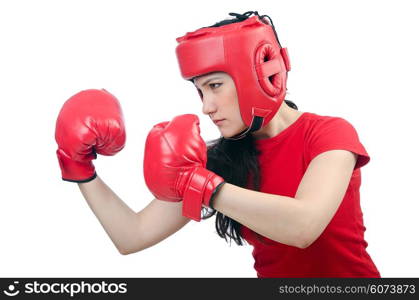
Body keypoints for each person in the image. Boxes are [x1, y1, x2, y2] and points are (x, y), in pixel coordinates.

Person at [55, 11, 380, 278]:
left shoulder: (329, 133)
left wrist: (204, 186)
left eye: (215, 85)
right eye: (200, 91)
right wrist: (79, 168)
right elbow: (133, 235)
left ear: (263, 74)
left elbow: (303, 226)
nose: (206, 106)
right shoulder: (215, 161)